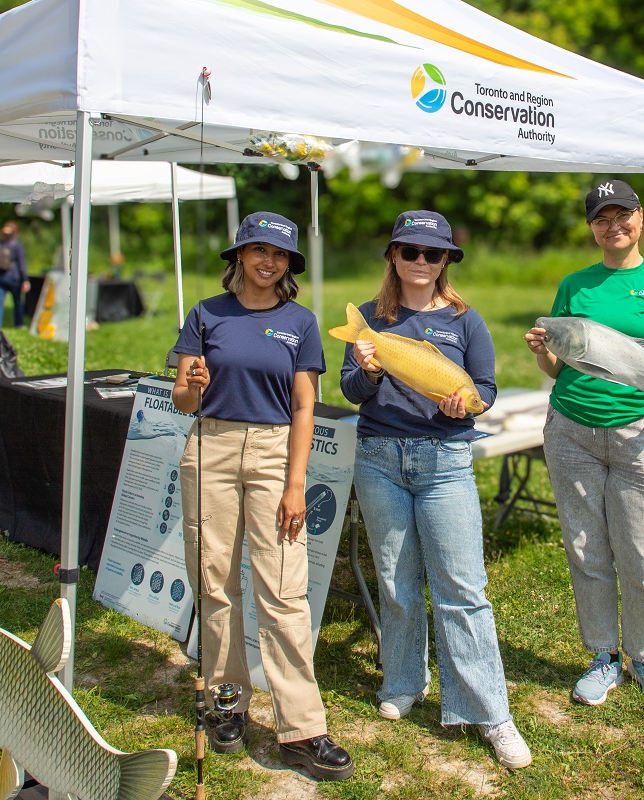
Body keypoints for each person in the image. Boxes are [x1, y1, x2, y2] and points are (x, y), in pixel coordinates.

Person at [339, 210, 532, 770]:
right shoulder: (371, 320)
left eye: (432, 254)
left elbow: (486, 391)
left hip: (446, 461)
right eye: (409, 251)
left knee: (462, 587)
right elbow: (353, 390)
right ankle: (404, 682)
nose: (420, 262)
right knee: (397, 582)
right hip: (378, 459)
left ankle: (491, 712)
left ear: (446, 260)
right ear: (393, 256)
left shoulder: (466, 321)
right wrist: (368, 370)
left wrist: (466, 406)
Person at [172, 211, 354, 781]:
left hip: (277, 454)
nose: (267, 262)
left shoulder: (299, 322)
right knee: (215, 581)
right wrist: (191, 387)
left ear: (289, 265)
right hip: (211, 445)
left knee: (282, 590)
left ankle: (301, 728)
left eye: (279, 255)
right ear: (238, 256)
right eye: (257, 251)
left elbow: (305, 407)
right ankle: (226, 704)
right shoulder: (205, 315)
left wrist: (295, 484)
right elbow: (183, 400)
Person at [525, 179, 644, 706]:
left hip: (639, 436)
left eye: (622, 215)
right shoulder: (574, 285)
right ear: (591, 227)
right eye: (601, 218)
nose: (612, 225)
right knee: (587, 552)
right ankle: (603, 656)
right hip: (571, 431)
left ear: (640, 219)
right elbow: (558, 368)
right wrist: (540, 350)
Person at [0, 221, 30, 328]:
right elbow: (21, 264)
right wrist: (25, 279)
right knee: (18, 301)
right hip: (13, 277)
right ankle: (19, 324)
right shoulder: (17, 245)